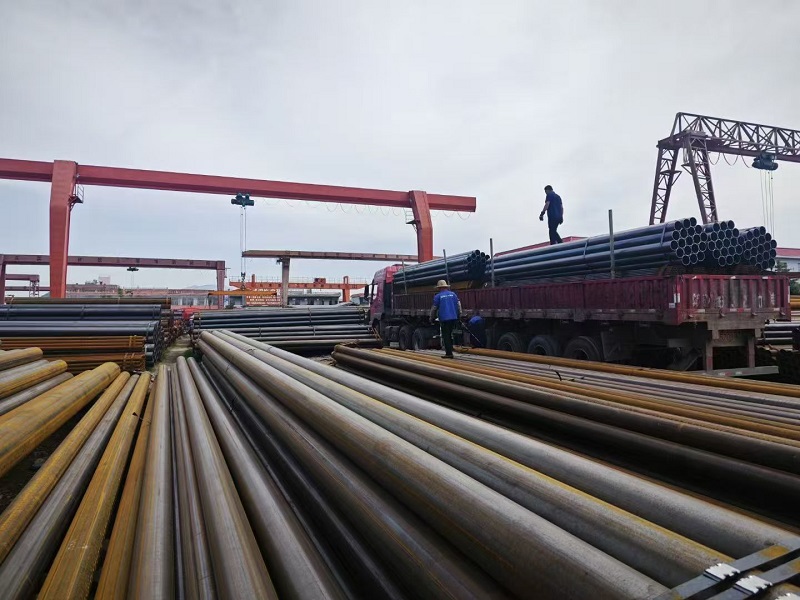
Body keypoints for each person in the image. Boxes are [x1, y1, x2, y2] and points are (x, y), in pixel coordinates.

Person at [430, 280, 462, 358]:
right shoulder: (453, 294)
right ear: (446, 287)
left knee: (446, 336)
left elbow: (434, 309)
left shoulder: (438, 296)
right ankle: (451, 348)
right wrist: (459, 315)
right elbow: (459, 305)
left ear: (439, 288)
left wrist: (432, 318)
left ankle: (449, 353)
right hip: (453, 318)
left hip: (444, 319)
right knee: (450, 334)